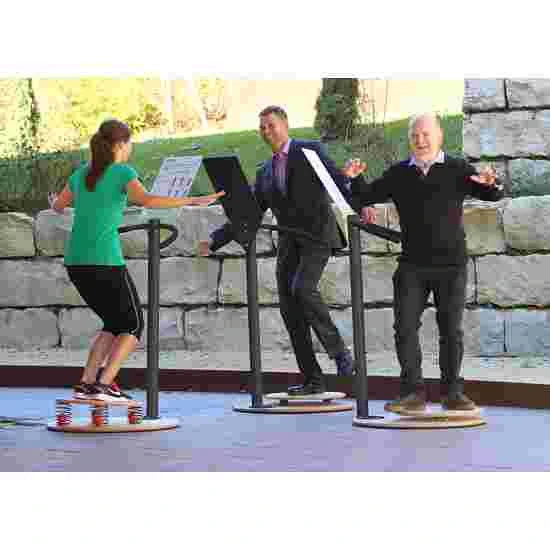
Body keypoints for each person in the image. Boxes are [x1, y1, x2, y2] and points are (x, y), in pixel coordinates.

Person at [49, 119, 223, 402]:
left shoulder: (80, 174)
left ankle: (87, 383)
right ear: (120, 145)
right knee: (132, 325)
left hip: (76, 262)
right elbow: (147, 200)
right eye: (129, 143)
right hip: (105, 260)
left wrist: (55, 202)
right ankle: (104, 384)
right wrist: (193, 200)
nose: (130, 148)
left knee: (112, 322)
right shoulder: (121, 172)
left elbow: (57, 206)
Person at [350, 112, 505, 412]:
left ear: (439, 136)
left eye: (426, 134)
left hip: (451, 265)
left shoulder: (457, 168)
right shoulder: (398, 173)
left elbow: (491, 193)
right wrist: (356, 179)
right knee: (404, 327)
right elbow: (366, 195)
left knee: (451, 331)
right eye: (415, 136)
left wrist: (492, 183)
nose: (420, 140)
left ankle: (452, 393)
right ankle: (413, 393)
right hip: (413, 265)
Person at [202, 105, 362, 396]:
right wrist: (215, 240)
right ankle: (312, 379)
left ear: (285, 125)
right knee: (290, 309)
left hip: (317, 236)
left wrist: (359, 198)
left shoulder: (308, 150)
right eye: (262, 127)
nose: (267, 131)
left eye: (271, 125)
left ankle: (340, 353)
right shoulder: (264, 171)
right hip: (289, 242)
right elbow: (249, 213)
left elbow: (336, 182)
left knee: (303, 288)